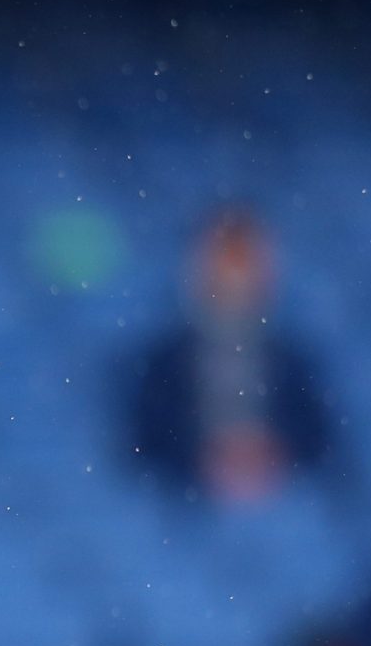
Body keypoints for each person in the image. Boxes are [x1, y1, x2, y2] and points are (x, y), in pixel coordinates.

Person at [126, 208, 334, 505]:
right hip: (189, 507)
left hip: (279, 501)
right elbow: (143, 448)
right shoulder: (161, 364)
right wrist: (203, 461)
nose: (234, 277)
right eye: (225, 262)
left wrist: (272, 459)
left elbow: (319, 444)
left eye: (244, 262)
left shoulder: (296, 361)